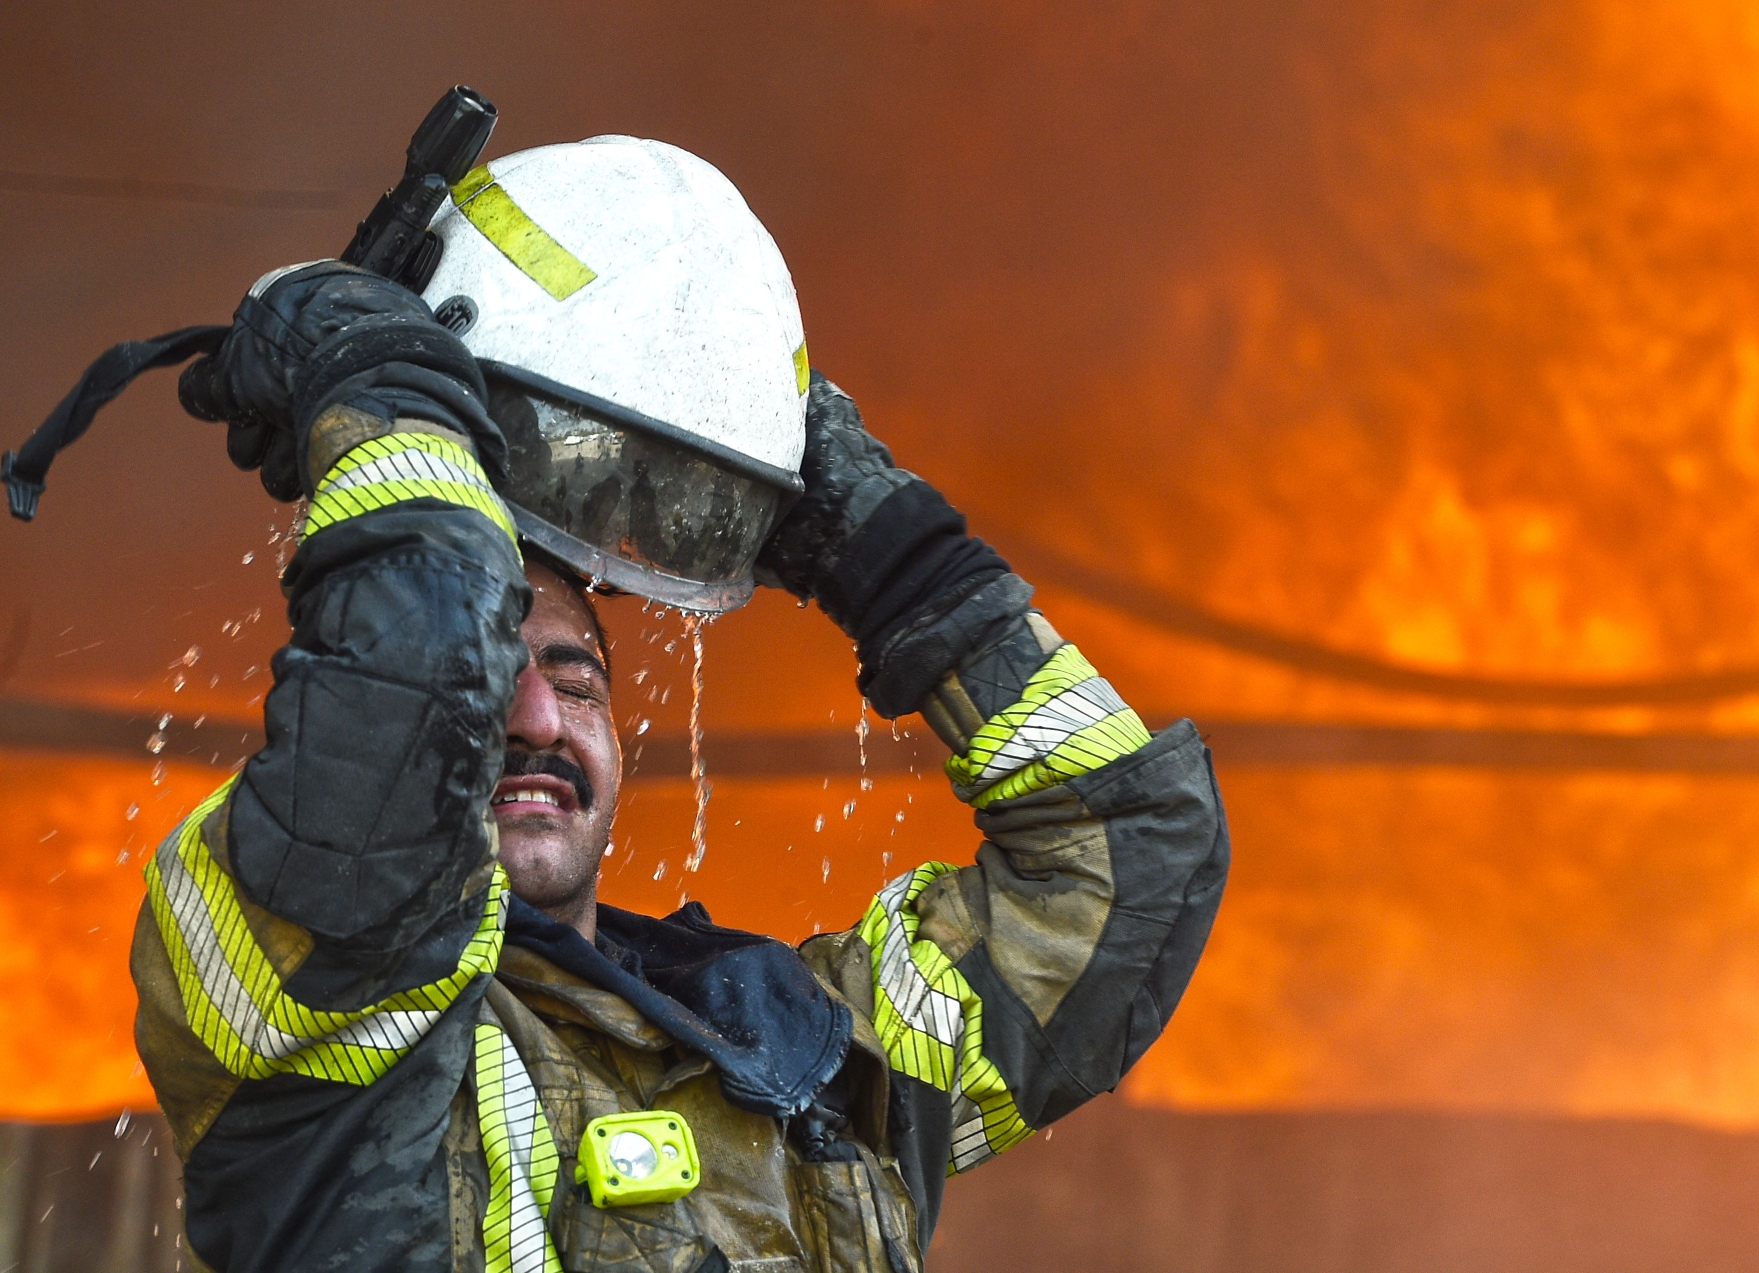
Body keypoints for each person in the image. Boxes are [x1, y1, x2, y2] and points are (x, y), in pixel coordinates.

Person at [129, 136, 1229, 1272]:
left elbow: (1124, 865)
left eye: (575, 679)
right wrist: (381, 402)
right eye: (489, 669)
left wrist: (892, 563)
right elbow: (402, 708)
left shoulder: (804, 1048)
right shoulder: (299, 986)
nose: (536, 718)